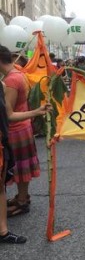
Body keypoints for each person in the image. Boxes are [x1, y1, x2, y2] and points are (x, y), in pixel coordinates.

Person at [0, 81, 50, 243]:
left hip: (9, 136)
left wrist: (36, 111)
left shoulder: (5, 83)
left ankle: (3, 230)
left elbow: (8, 114)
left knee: (3, 184)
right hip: (10, 134)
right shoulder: (6, 82)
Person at [0, 46, 44, 217]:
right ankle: (22, 198)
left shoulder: (11, 80)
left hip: (16, 130)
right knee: (22, 167)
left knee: (18, 168)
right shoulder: (19, 73)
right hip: (23, 127)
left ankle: (22, 202)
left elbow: (9, 114)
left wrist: (35, 112)